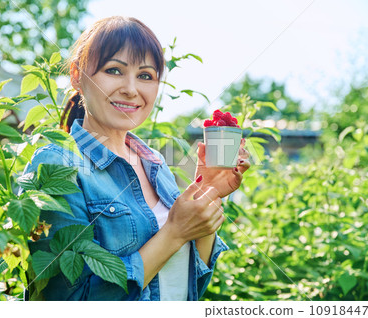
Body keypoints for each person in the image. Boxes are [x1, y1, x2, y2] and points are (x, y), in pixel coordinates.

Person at [23, 16, 250, 301]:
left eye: (145, 76)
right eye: (114, 70)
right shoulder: (57, 165)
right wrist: (174, 233)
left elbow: (188, 286)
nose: (131, 89)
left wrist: (208, 191)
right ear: (77, 75)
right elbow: (66, 301)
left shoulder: (154, 162)